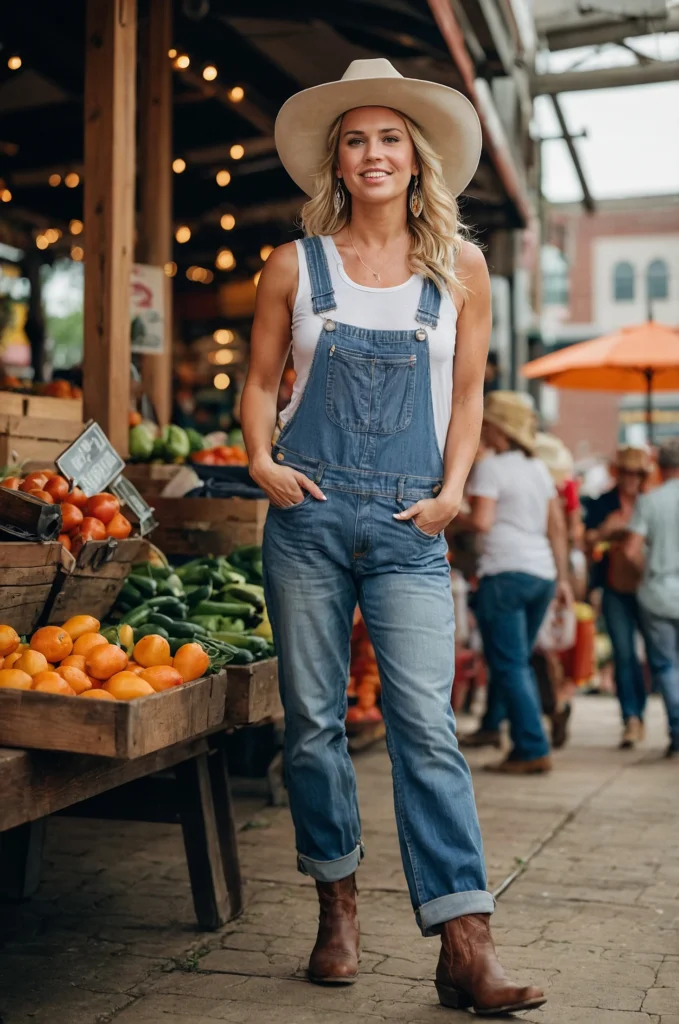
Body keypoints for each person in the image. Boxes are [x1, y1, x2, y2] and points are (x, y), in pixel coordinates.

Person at [241, 58, 546, 1016]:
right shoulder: (295, 264)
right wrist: (258, 457)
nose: (373, 153)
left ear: (417, 160)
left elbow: (466, 398)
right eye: (355, 139)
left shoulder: (461, 268)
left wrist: (457, 489)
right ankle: (337, 909)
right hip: (305, 518)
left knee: (426, 728)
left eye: (389, 138)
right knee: (314, 725)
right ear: (337, 160)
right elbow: (255, 383)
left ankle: (465, 941)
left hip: (414, 521)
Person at [459, 393, 572, 772]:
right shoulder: (538, 468)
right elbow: (556, 525)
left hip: (505, 573)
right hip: (541, 573)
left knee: (509, 663)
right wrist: (563, 578)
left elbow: (481, 522)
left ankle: (531, 747)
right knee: (512, 659)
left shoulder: (491, 468)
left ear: (496, 429)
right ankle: (492, 726)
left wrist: (448, 507)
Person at [584, 446, 653, 748]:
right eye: (625, 472)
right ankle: (632, 718)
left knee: (654, 655)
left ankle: (643, 711)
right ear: (617, 473)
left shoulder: (651, 503)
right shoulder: (603, 504)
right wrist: (604, 531)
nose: (630, 478)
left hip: (649, 588)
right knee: (623, 653)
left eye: (636, 473)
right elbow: (585, 541)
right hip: (613, 587)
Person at [624, 439, 679, 758]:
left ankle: (677, 729)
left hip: (658, 592)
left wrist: (652, 568)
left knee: (667, 664)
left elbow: (631, 550)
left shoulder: (650, 501)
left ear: (659, 466)